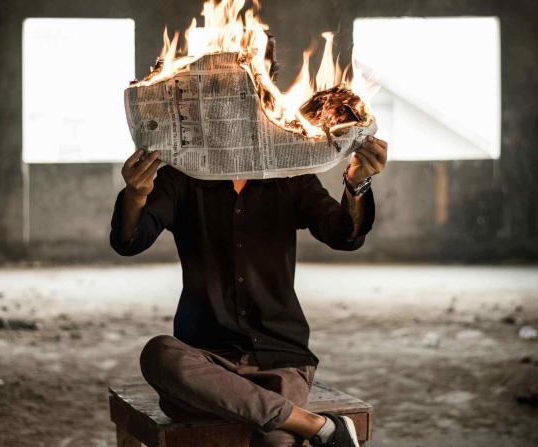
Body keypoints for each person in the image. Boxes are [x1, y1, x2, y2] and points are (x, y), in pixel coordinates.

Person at [110, 136, 388, 447]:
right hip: (207, 361)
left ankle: (283, 416)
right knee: (158, 353)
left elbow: (344, 235)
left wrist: (357, 184)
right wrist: (136, 194)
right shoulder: (182, 177)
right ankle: (315, 425)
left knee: (277, 442)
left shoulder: (290, 176)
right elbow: (130, 241)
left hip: (279, 360)